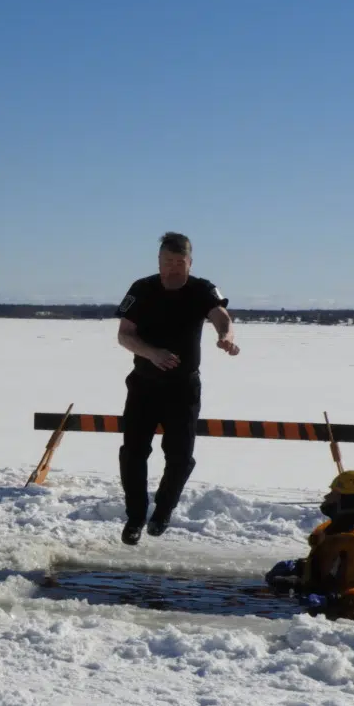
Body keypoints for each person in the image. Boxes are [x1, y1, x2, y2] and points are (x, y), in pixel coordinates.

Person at [115, 232, 238, 545]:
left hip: (182, 388)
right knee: (133, 453)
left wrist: (226, 336)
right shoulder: (141, 289)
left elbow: (220, 315)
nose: (172, 268)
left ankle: (164, 510)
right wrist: (152, 353)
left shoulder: (201, 289)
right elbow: (124, 335)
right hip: (144, 384)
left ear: (190, 262)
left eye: (179, 262)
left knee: (181, 457)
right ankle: (135, 517)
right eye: (167, 262)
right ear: (158, 261)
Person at [266, 470, 354, 622]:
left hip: (353, 626)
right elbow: (332, 569)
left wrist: (331, 600)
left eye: (334, 494)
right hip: (322, 614)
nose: (326, 497)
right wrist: (299, 567)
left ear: (348, 501)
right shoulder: (330, 532)